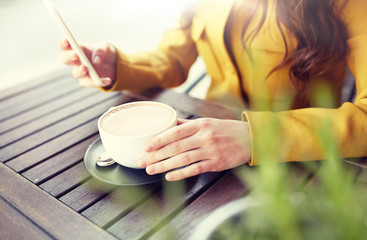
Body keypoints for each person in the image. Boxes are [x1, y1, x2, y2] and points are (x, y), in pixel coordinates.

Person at [59, 0, 367, 181]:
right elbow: (171, 60)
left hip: (296, 167)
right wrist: (118, 67)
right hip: (203, 148)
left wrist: (255, 137)